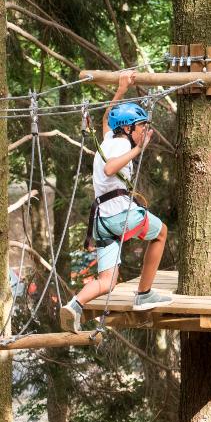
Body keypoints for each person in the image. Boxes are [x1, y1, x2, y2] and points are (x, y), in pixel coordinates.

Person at [59, 72, 172, 332]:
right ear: (128, 128)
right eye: (141, 126)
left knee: (107, 281)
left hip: (102, 221)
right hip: (121, 215)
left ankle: (74, 305)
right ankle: (144, 294)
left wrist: (121, 89)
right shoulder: (121, 147)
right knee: (161, 233)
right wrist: (138, 150)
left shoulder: (109, 139)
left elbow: (105, 119)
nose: (144, 130)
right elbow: (111, 169)